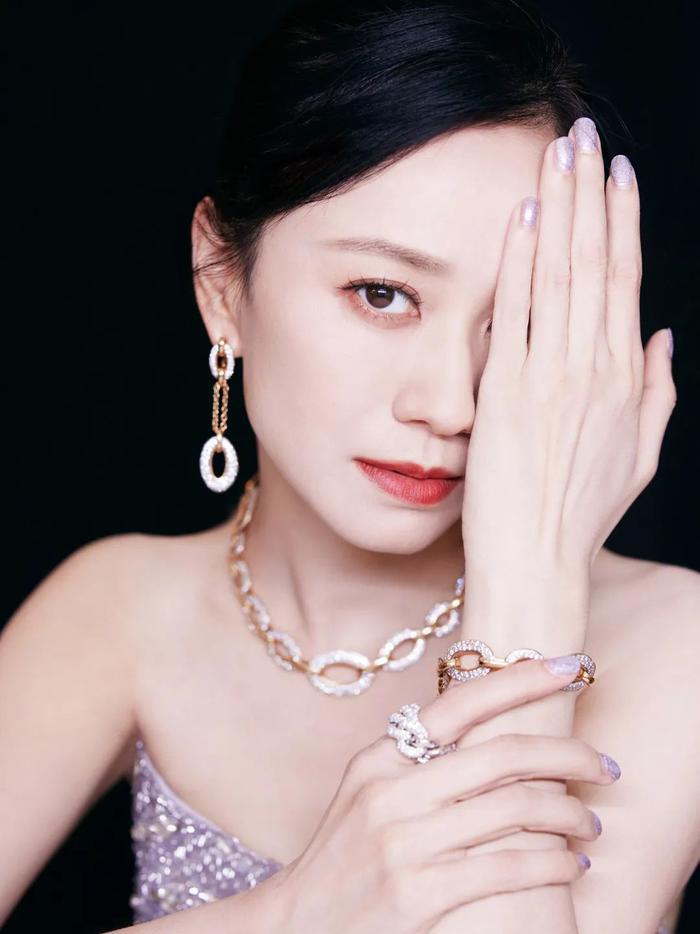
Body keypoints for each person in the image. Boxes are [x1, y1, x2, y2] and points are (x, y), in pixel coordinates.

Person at [0, 0, 696, 931]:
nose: (450, 405)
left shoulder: (675, 644)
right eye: (383, 293)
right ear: (222, 282)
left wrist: (529, 589)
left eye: (518, 324)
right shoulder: (121, 610)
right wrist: (294, 910)